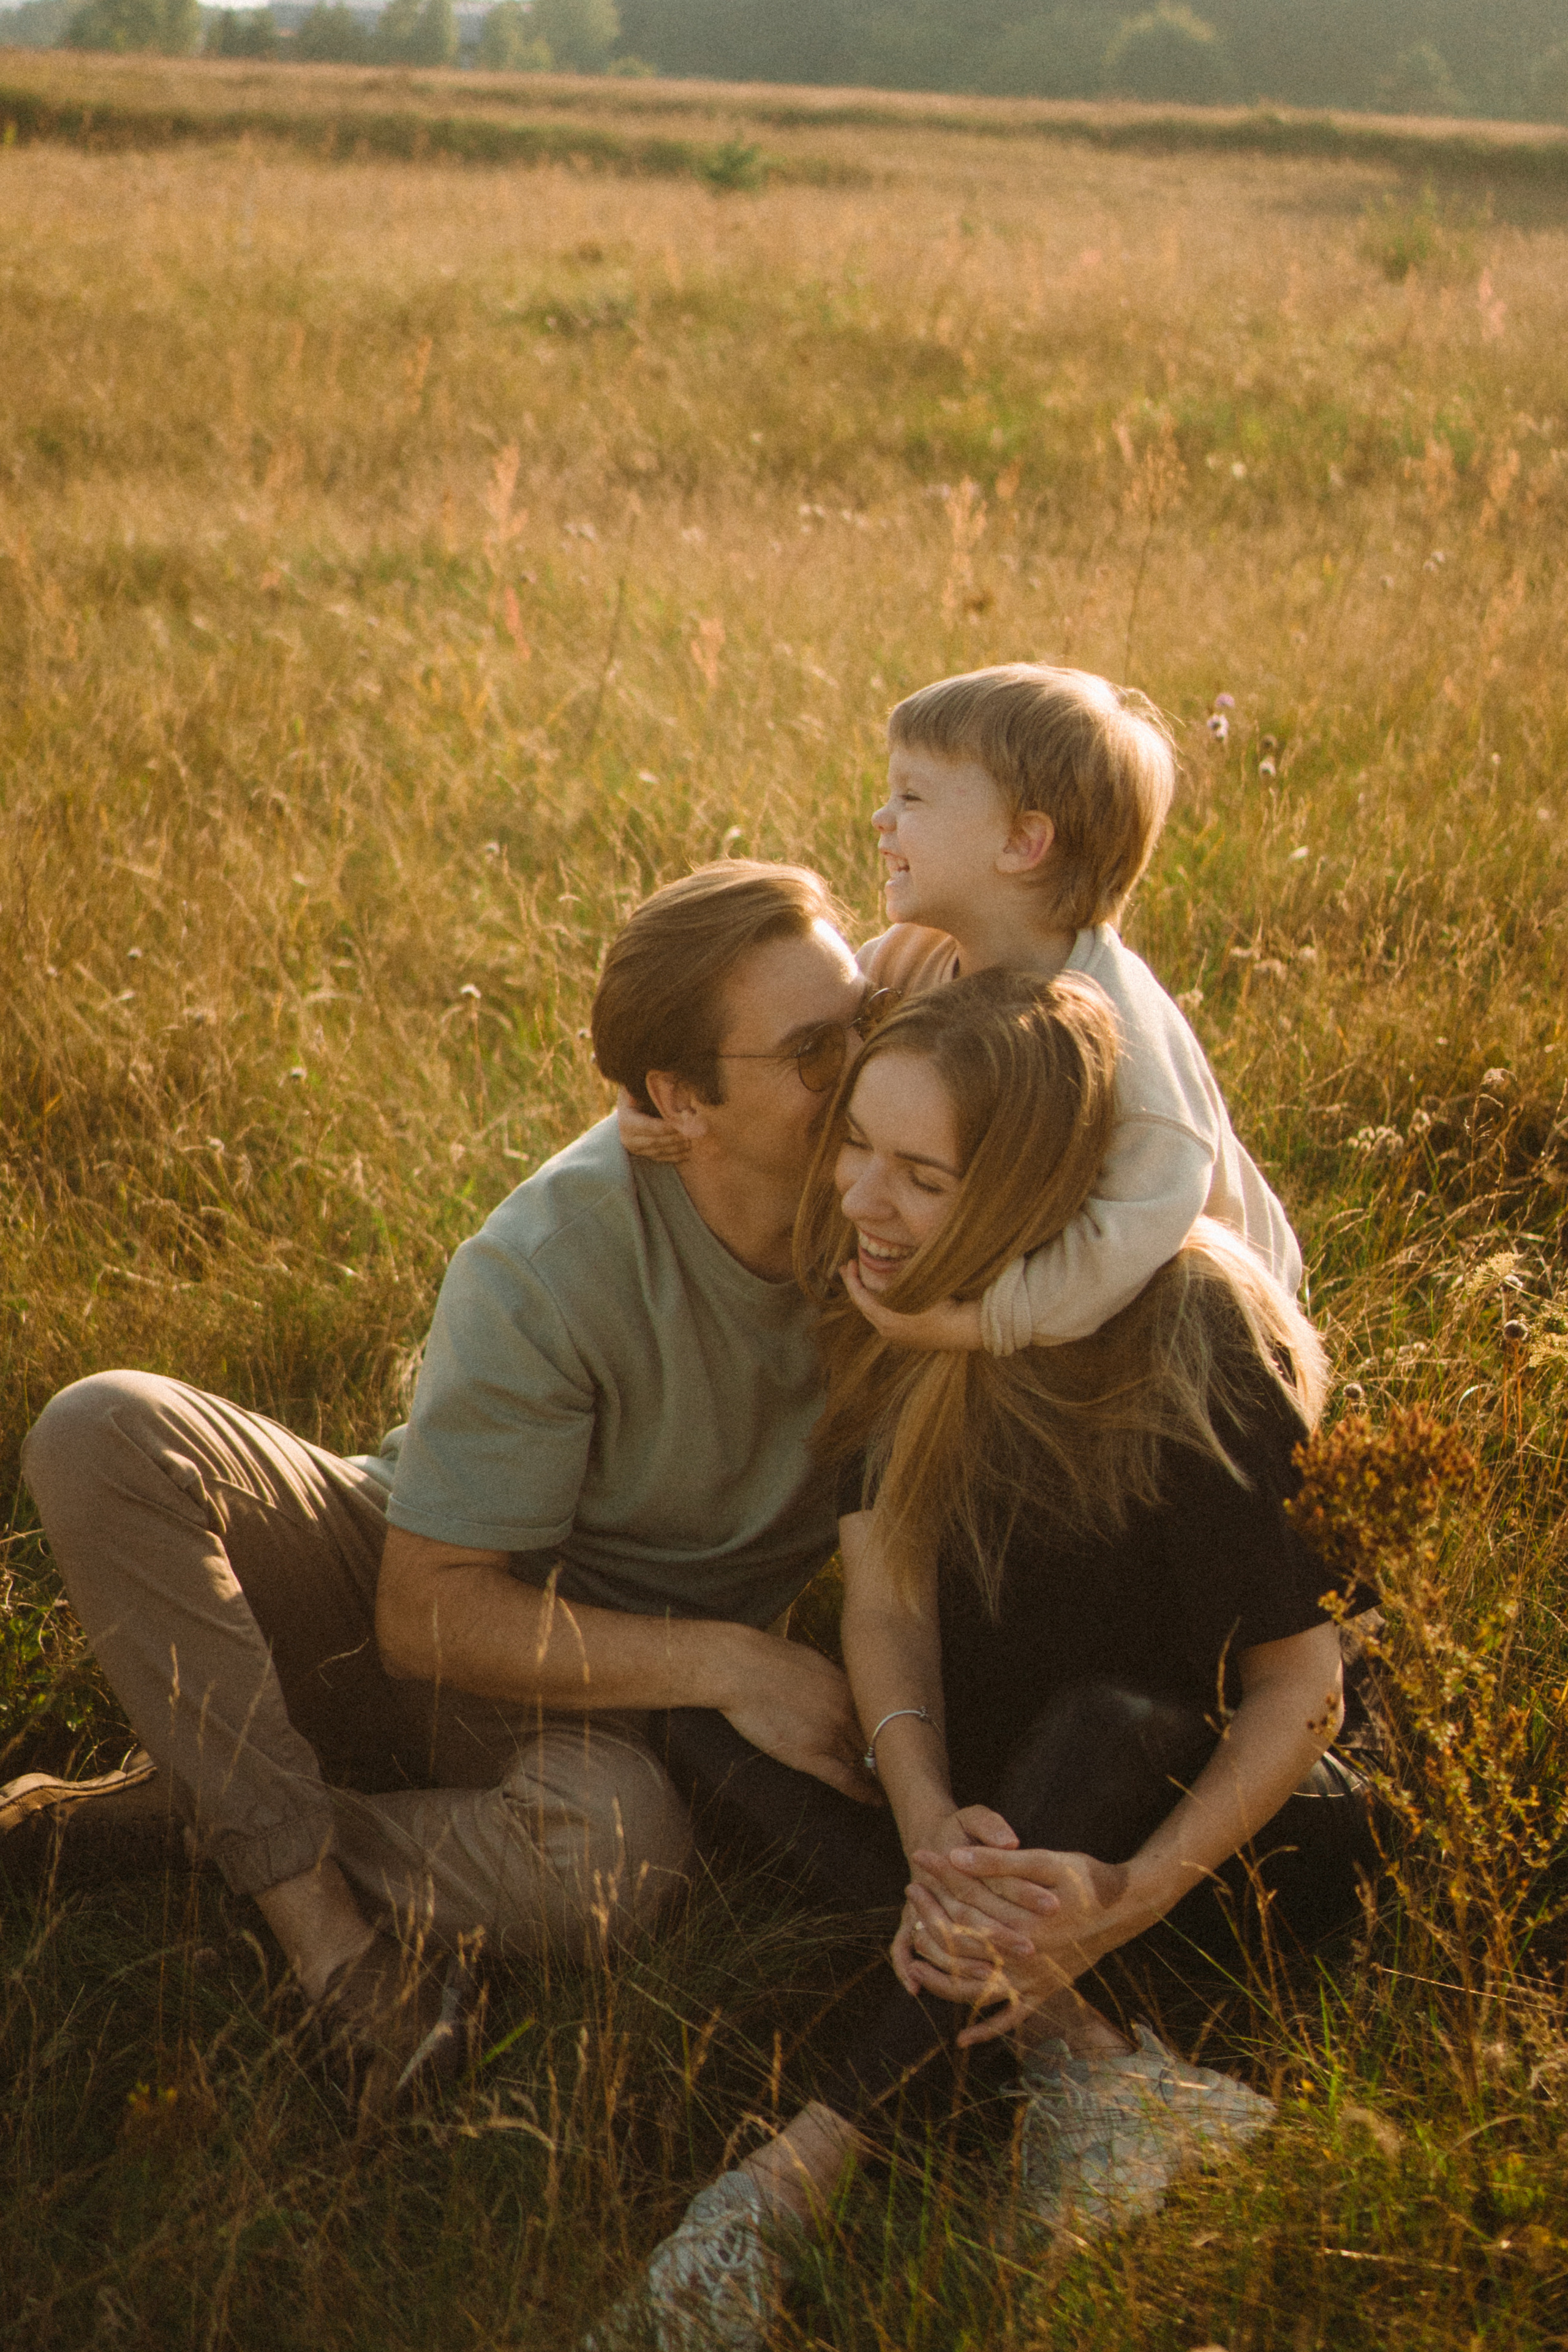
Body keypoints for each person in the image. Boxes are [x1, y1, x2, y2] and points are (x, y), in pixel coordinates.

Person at [10, 861, 886, 2104]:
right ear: (679, 1100)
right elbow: (425, 1611)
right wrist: (740, 1665)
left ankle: (217, 1809)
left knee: (619, 1865)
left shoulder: (900, 1205)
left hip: (594, 1694)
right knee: (103, 1427)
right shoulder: (552, 1256)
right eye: (815, 1054)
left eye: (870, 1021)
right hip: (413, 1568)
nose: (861, 1069)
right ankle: (325, 1938)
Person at [593, 970, 1377, 2351]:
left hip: (1234, 1810)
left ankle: (774, 2196)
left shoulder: (1192, 1337)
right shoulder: (889, 1304)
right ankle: (1082, 2055)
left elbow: (1299, 1694)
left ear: (1024, 1196)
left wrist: (1125, 1895)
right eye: (856, 1148)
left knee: (1097, 1721)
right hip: (1017, 1823)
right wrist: (923, 1815)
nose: (857, 1199)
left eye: (918, 1175)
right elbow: (884, 1601)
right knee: (703, 1729)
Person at [620, 662, 1300, 1363]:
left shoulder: (1121, 1024)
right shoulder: (917, 956)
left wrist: (987, 1323)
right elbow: (788, 1025)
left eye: (912, 796)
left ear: (1021, 843)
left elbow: (1142, 1225)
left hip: (1208, 1340)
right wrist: (663, 1087)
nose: (881, 819)